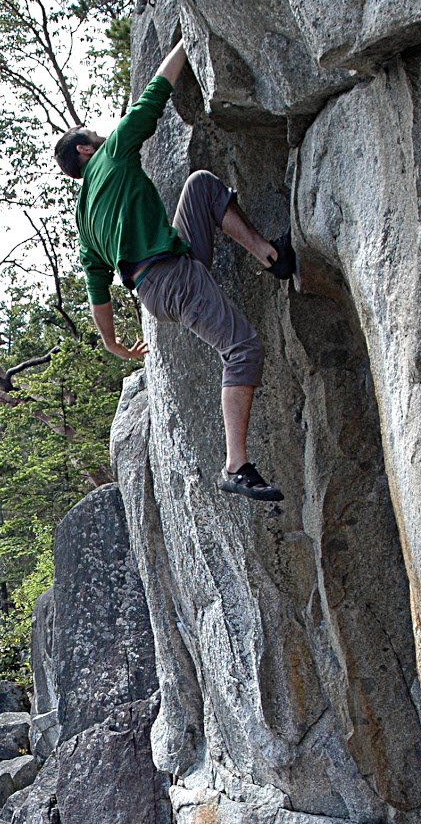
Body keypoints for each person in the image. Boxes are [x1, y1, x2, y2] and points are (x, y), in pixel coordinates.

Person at [54, 40, 295, 502]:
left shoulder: (84, 219)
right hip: (170, 278)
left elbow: (96, 289)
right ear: (85, 150)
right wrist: (186, 40)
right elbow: (154, 94)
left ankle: (270, 256)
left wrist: (113, 344)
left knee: (200, 187)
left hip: (166, 274)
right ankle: (236, 465)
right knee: (242, 346)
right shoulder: (111, 154)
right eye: (94, 136)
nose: (103, 136)